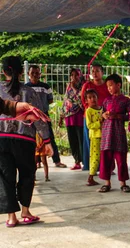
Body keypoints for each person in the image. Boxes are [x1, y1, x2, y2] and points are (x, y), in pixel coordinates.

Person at [0, 57, 53, 227]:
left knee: (5, 177)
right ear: (22, 72)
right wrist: (47, 140)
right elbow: (39, 118)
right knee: (27, 174)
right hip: (24, 140)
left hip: (2, 140)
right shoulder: (30, 93)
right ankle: (25, 211)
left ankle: (11, 217)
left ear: (3, 72)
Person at [26, 64, 66, 168]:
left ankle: (56, 160)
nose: (35, 75)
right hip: (31, 116)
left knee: (49, 137)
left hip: (44, 115)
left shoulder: (46, 86)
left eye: (37, 73)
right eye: (32, 73)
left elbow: (50, 99)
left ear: (40, 74)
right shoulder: (26, 87)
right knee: (32, 139)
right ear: (28, 74)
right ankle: (37, 161)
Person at [98, 74, 130, 193]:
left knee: (121, 159)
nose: (109, 88)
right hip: (107, 134)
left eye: (111, 85)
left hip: (119, 133)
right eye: (108, 86)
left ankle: (123, 183)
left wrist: (118, 116)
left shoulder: (126, 100)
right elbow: (101, 114)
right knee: (106, 159)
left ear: (118, 85)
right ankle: (107, 183)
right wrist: (103, 115)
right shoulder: (106, 100)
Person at [81, 64, 110, 172]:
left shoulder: (107, 85)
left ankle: (105, 166)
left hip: (104, 116)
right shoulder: (87, 85)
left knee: (105, 142)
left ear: (102, 72)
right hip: (91, 117)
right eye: (93, 71)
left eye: (97, 71)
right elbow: (83, 101)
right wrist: (93, 110)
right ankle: (91, 166)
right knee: (90, 142)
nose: (95, 73)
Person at [62, 68, 85, 170]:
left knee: (81, 139)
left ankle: (85, 161)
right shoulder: (68, 87)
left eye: (76, 75)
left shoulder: (84, 86)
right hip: (69, 116)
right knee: (72, 140)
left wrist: (75, 89)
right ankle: (77, 161)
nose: (73, 77)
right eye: (72, 75)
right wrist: (61, 115)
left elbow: (81, 101)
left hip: (79, 115)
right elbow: (65, 100)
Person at [84, 90, 103, 186]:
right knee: (95, 156)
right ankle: (91, 176)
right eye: (90, 98)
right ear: (86, 100)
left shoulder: (102, 109)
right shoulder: (89, 111)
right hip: (95, 136)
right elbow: (89, 125)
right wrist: (100, 122)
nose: (92, 99)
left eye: (94, 97)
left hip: (104, 135)